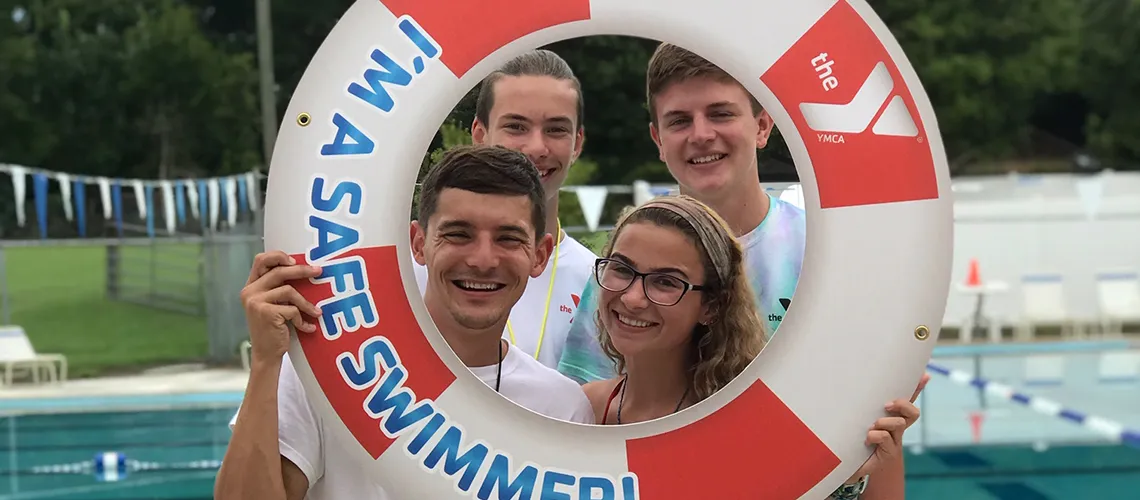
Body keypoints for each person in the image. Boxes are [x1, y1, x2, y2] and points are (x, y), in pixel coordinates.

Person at [557, 44, 924, 499]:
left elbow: (877, 439)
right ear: (657, 139)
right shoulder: (622, 277)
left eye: (721, 113)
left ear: (763, 125)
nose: (701, 134)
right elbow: (583, 432)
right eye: (679, 120)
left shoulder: (828, 260)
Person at [215, 144, 594, 500]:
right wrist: (266, 363)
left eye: (508, 238)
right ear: (417, 243)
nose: (482, 260)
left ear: (540, 255)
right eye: (458, 234)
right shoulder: (332, 366)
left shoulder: (559, 408)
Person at [583, 194, 921, 500]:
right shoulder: (582, 411)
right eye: (621, 269)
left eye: (666, 282)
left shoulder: (758, 420)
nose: (632, 297)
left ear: (712, 306)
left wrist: (847, 482)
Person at [412, 49, 597, 370]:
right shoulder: (407, 268)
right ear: (480, 135)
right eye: (516, 127)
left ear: (577, 143)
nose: (537, 148)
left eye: (556, 130)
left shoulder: (600, 282)